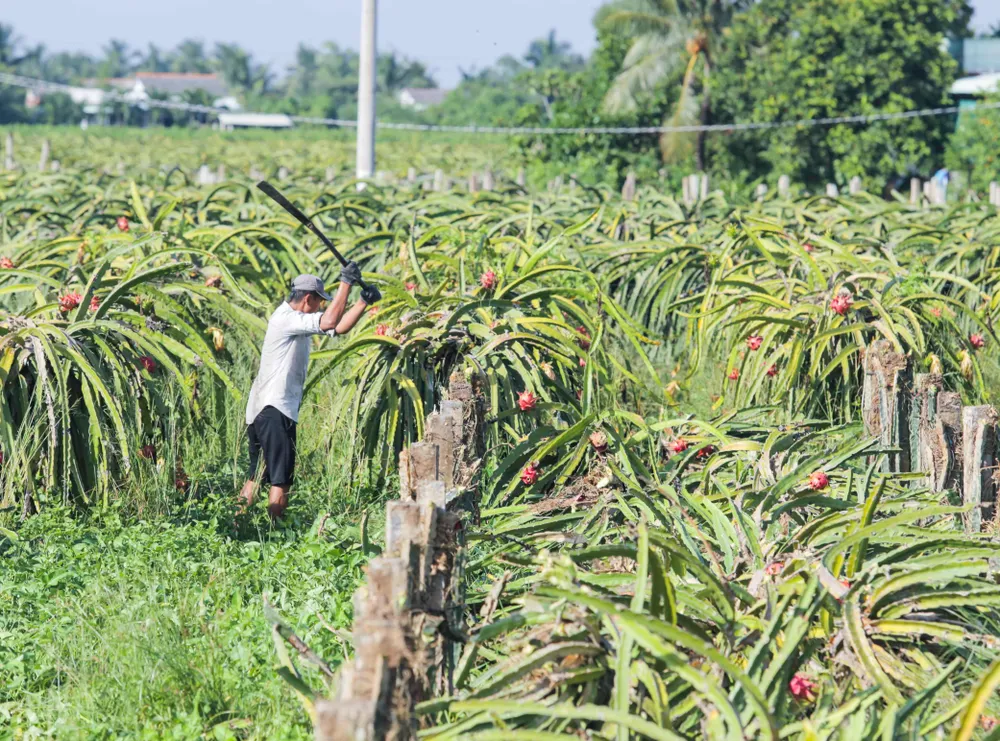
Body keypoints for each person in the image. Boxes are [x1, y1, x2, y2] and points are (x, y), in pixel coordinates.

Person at [239, 263, 381, 519]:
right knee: (281, 479)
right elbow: (329, 320)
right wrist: (346, 283)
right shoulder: (287, 319)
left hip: (260, 409)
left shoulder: (295, 320)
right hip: (276, 407)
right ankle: (276, 534)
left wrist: (362, 303)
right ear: (308, 299)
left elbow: (337, 327)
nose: (321, 306)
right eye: (319, 301)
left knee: (256, 474)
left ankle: (237, 524)